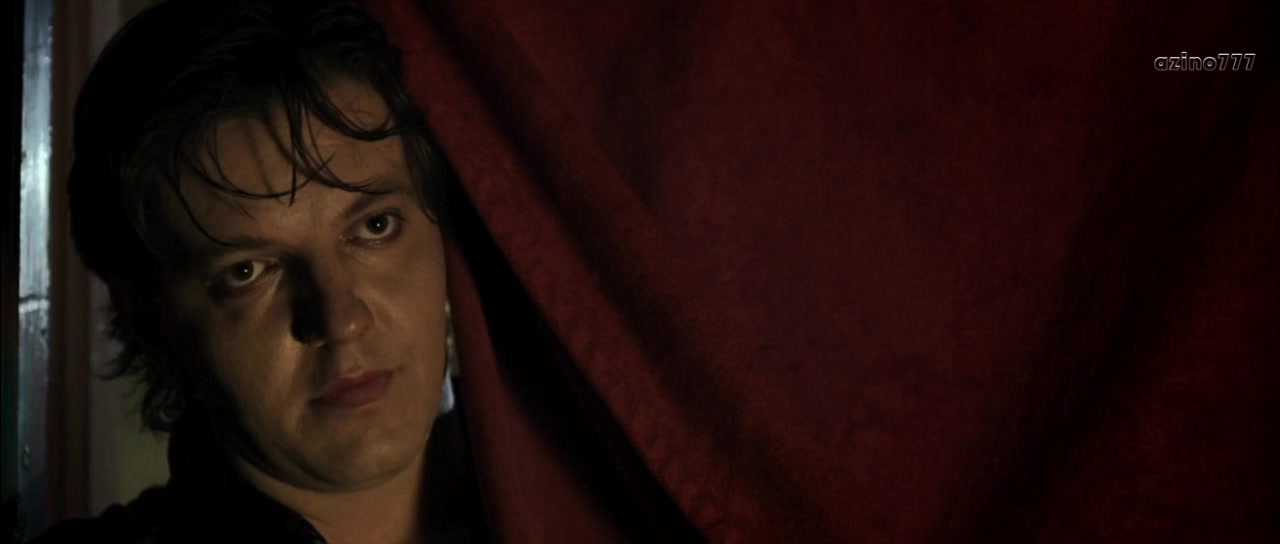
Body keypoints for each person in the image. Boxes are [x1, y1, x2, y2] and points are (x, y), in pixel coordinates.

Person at [33, 0, 481, 541]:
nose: (339, 319)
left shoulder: (567, 477)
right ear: (152, 321)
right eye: (246, 271)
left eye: (375, 226)